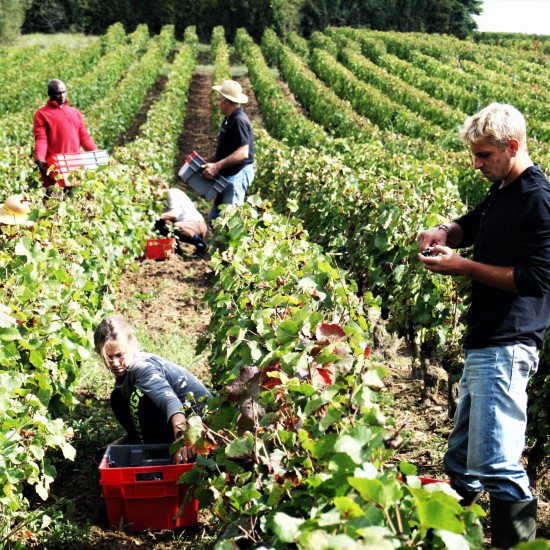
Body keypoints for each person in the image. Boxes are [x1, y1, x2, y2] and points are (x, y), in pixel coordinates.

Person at [417, 103, 550, 548]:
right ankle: (450, 538)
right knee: (460, 461)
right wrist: (444, 231)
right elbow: (473, 223)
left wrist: (466, 267)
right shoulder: (504, 188)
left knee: (495, 463)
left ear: (512, 147)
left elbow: (535, 279)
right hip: (485, 342)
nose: (476, 164)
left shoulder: (537, 198)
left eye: (484, 155)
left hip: (508, 345)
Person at [94, 316, 212, 464]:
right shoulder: (126, 375)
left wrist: (183, 438)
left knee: (139, 397)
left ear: (132, 347)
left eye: (119, 355)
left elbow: (170, 402)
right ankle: (147, 446)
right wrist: (116, 445)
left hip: (205, 425)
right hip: (185, 421)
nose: (115, 363)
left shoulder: (142, 368)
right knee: (118, 397)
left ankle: (160, 457)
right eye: (108, 357)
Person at [201, 79, 254, 223]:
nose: (217, 103)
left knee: (229, 221)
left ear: (227, 101)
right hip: (229, 174)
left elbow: (243, 152)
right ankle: (219, 245)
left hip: (238, 174)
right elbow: (225, 150)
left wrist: (217, 166)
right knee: (214, 218)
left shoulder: (239, 121)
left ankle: (229, 246)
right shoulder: (229, 119)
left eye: (219, 100)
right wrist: (208, 160)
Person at [33, 79, 97, 187]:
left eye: (63, 92)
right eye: (58, 93)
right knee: (56, 197)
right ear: (49, 94)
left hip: (75, 163)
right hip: (56, 165)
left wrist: (95, 153)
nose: (62, 96)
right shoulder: (42, 114)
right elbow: (41, 138)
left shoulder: (74, 112)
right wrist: (40, 158)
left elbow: (84, 136)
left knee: (77, 196)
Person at [154, 187, 208, 258]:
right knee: (163, 222)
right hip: (189, 225)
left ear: (161, 187)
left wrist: (155, 216)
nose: (154, 195)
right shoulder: (163, 200)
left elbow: (175, 214)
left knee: (175, 226)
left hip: (197, 224)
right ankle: (176, 249)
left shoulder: (171, 193)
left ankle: (201, 245)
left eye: (154, 190)